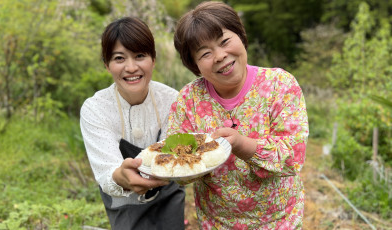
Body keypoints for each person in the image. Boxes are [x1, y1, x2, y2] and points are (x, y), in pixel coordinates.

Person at [169, 1, 309, 229]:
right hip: (217, 222)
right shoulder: (189, 100)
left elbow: (293, 157)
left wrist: (242, 145)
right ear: (194, 65)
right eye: (205, 53)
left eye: (224, 41)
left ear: (241, 37)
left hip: (279, 220)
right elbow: (177, 165)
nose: (220, 55)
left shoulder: (279, 85)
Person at [80, 17, 185, 230]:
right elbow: (107, 172)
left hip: (168, 195)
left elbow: (177, 155)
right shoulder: (95, 109)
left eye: (140, 56)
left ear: (153, 60)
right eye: (119, 58)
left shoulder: (173, 100)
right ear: (107, 65)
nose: (131, 67)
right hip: (122, 198)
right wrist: (122, 176)